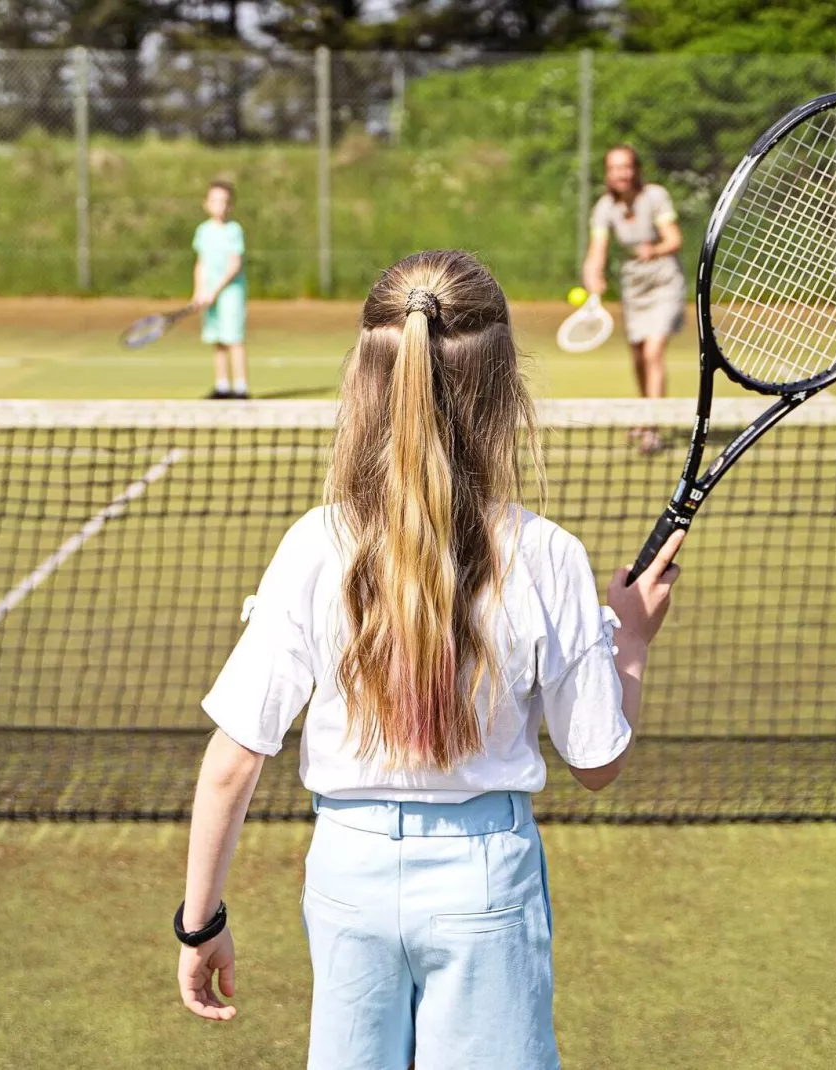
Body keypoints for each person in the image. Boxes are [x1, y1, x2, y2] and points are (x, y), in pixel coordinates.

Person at [174, 249, 686, 1068]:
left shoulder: (315, 544)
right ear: (505, 388)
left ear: (368, 379)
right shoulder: (548, 554)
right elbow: (598, 762)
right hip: (487, 878)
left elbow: (234, 759)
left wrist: (199, 922)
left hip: (349, 871)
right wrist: (629, 642)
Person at [581, 145, 686, 453]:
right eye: (614, 168)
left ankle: (652, 428)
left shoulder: (655, 196)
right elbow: (596, 252)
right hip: (634, 284)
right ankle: (645, 413)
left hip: (665, 280)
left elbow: (674, 239)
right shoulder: (604, 207)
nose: (620, 173)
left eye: (625, 167)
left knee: (653, 352)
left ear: (636, 169)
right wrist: (593, 277)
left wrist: (653, 250)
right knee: (639, 355)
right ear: (607, 174)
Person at [192, 180, 249, 399]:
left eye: (225, 201)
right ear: (206, 204)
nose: (220, 205)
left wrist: (214, 291)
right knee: (218, 340)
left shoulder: (234, 231)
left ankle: (241, 388)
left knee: (234, 339)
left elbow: (235, 265)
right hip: (208, 296)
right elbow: (201, 263)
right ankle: (223, 386)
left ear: (231, 205)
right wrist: (199, 291)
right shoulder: (203, 231)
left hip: (230, 293)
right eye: (215, 200)